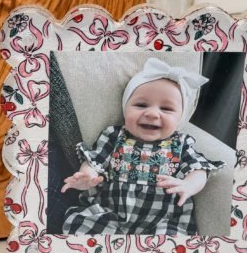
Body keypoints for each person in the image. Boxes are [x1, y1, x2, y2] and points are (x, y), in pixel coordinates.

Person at [61, 58, 225, 236]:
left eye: (167, 109)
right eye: (141, 105)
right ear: (125, 109)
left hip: (164, 219)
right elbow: (94, 161)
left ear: (179, 119)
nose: (153, 113)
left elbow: (199, 169)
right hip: (112, 213)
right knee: (82, 226)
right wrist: (87, 176)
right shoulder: (114, 136)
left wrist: (189, 185)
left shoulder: (181, 143)